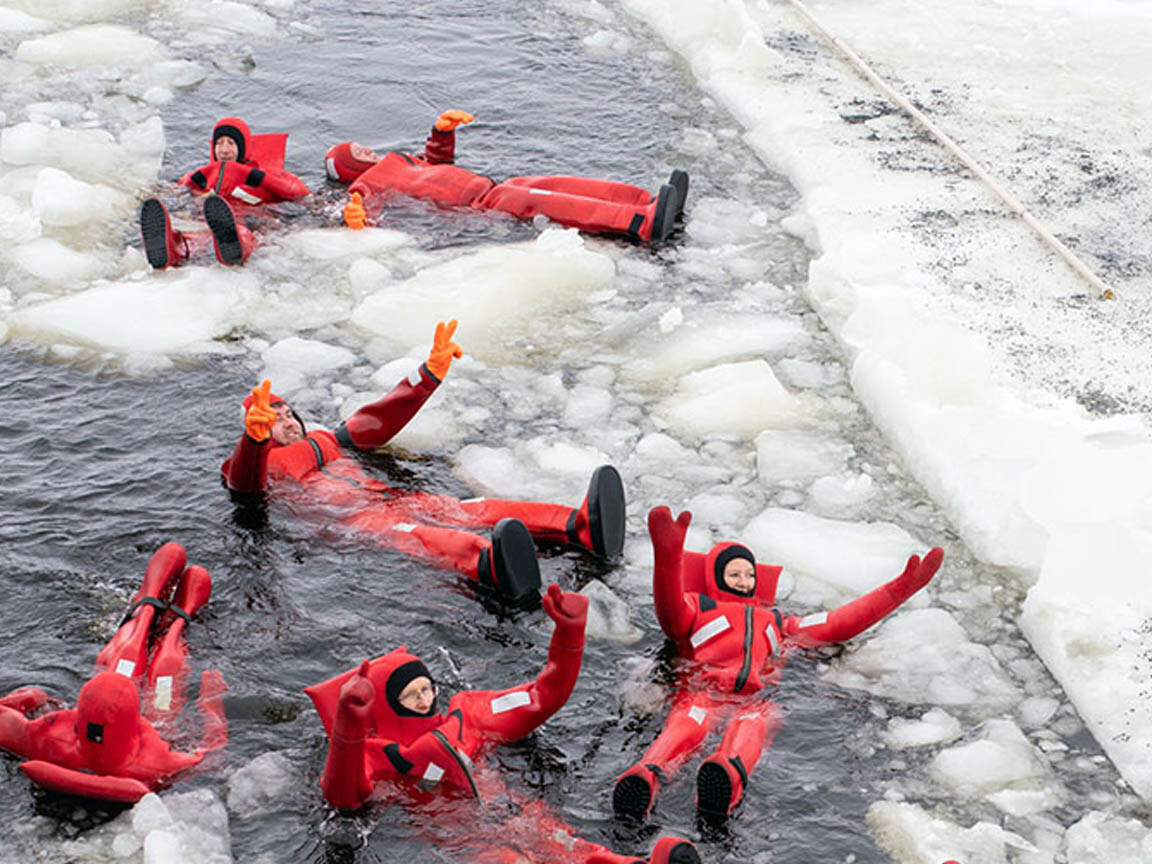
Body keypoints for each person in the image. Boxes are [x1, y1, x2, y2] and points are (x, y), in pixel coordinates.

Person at [221, 319, 626, 603]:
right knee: (418, 533)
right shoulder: (253, 465)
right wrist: (252, 440)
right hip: (352, 523)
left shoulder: (325, 439)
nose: (288, 421)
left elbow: (378, 417)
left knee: (471, 509)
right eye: (275, 419)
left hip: (391, 498)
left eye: (290, 413)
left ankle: (579, 525)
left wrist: (427, 375)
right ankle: (488, 563)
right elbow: (244, 484)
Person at [306, 583, 700, 864]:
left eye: (428, 688)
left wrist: (568, 636)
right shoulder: (377, 755)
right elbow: (343, 795)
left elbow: (540, 698)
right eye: (412, 696)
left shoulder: (466, 715)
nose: (426, 700)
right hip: (461, 837)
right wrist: (348, 727)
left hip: (509, 810)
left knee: (572, 847)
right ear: (389, 707)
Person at [612, 507, 944, 825]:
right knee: (687, 723)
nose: (744, 581)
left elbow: (836, 624)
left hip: (751, 701)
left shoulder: (777, 621)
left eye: (749, 574)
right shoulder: (698, 607)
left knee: (756, 723)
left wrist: (899, 590)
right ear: (716, 577)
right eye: (734, 574)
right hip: (702, 691)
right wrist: (668, 555)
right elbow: (670, 613)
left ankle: (726, 777)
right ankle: (646, 776)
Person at [0, 542, 227, 803]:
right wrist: (212, 702)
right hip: (153, 727)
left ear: (80, 714)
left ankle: (149, 612)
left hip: (109, 738)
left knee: (130, 668)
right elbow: (211, 753)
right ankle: (171, 621)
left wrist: (30, 698)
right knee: (163, 683)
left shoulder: (46, 737)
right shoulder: (155, 763)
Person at [325, 109, 688, 244]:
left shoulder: (401, 159)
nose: (367, 151)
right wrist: (356, 218)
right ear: (347, 167)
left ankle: (642, 198)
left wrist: (441, 133)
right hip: (481, 204)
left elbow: (436, 164)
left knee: (560, 184)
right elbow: (359, 209)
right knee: (555, 203)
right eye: (358, 152)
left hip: (495, 185)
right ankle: (641, 222)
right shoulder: (365, 183)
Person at [139, 116, 309, 269]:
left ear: (242, 148)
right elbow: (176, 188)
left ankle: (235, 247)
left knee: (245, 232)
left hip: (251, 222)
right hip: (210, 222)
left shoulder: (265, 174)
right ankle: (174, 248)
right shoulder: (202, 175)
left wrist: (258, 178)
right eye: (219, 143)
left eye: (231, 143)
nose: (224, 150)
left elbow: (299, 191)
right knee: (195, 237)